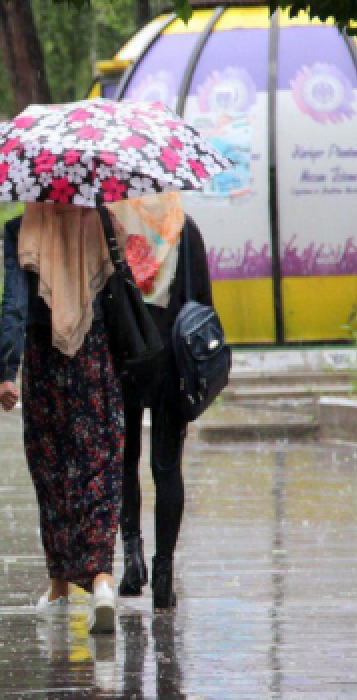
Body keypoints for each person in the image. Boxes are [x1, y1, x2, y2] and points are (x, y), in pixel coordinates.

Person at [0, 202, 124, 635]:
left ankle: (60, 588)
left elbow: (13, 302)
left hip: (42, 361)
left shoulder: (22, 228)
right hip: (94, 356)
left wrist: (6, 372)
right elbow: (122, 289)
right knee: (100, 465)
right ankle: (103, 581)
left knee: (52, 471)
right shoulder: (102, 222)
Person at [108, 193, 213, 610]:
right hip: (171, 362)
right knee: (167, 468)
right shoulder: (185, 229)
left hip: (124, 358)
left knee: (124, 462)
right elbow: (202, 305)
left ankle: (133, 563)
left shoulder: (113, 227)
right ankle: (164, 574)